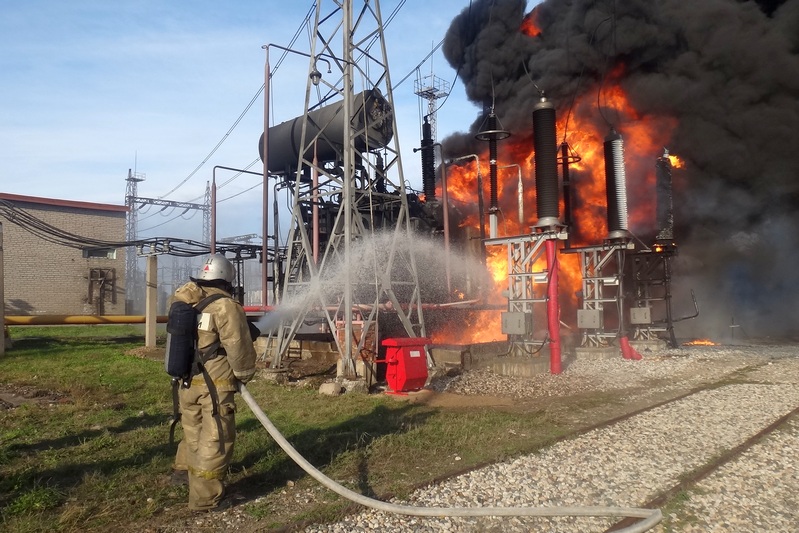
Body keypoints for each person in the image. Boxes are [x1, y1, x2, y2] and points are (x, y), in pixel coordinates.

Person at [171, 253, 257, 512]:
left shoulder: (188, 300)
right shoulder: (226, 306)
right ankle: (205, 499)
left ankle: (182, 474)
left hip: (187, 379)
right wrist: (244, 374)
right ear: (227, 279)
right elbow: (238, 346)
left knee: (192, 430)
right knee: (216, 438)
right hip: (214, 383)